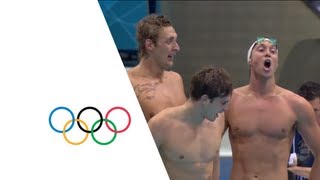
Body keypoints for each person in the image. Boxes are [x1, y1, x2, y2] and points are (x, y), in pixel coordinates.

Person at [225, 37, 320, 179]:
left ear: (276, 63)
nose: (268, 53)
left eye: (273, 51)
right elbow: (209, 148)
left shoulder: (296, 104)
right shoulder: (230, 101)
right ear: (250, 60)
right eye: (261, 49)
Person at [148, 66, 233, 180]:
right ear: (205, 100)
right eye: (223, 103)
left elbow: (214, 159)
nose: (226, 108)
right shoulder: (161, 125)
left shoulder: (217, 121)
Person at [127, 14, 186, 122]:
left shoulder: (176, 79)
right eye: (169, 41)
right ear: (150, 45)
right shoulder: (130, 83)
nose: (177, 48)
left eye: (175, 41)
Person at [288, 81, 320, 179]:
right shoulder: (287, 134)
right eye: (305, 112)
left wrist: (293, 170)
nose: (308, 116)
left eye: (314, 110)